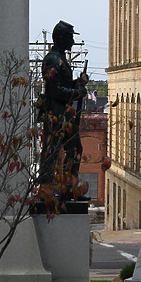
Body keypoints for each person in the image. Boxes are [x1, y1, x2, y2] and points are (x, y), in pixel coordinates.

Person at [38, 21, 88, 191]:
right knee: (52, 152)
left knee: (74, 149)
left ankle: (67, 186)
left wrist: (78, 83)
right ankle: (47, 187)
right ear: (61, 38)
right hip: (56, 113)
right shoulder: (53, 59)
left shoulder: (59, 58)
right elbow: (56, 90)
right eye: (70, 38)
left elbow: (63, 85)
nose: (72, 42)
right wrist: (77, 93)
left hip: (63, 112)